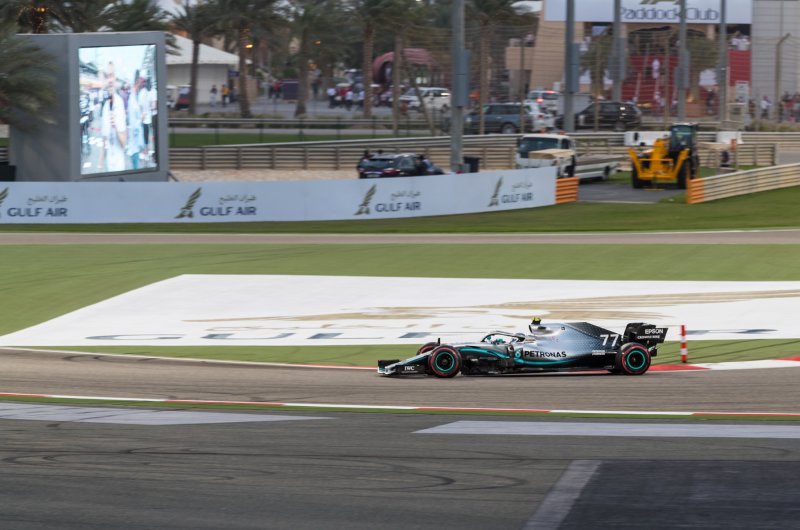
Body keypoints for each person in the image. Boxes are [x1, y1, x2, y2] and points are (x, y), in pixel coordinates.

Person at [99, 61, 127, 172]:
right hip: (108, 166)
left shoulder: (119, 104)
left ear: (115, 78)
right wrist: (100, 163)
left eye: (111, 76)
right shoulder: (105, 106)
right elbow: (104, 138)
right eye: (107, 77)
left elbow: (124, 143)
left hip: (118, 167)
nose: (109, 80)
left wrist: (115, 125)